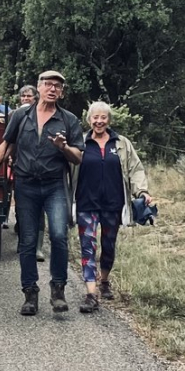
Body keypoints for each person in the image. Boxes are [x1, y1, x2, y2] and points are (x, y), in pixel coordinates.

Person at [0, 71, 84, 316]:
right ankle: (30, 293)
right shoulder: (20, 115)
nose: (53, 89)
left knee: (59, 236)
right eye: (48, 85)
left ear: (61, 92)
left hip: (54, 185)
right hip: (26, 185)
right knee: (28, 241)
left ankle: (58, 290)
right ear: (39, 88)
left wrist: (63, 147)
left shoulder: (69, 120)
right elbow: (6, 144)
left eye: (57, 86)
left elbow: (78, 157)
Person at [73, 101, 152, 313]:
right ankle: (91, 293)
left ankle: (104, 280)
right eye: (95, 118)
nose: (99, 121)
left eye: (103, 118)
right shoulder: (80, 142)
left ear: (109, 120)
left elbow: (136, 169)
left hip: (113, 204)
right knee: (88, 246)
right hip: (86, 203)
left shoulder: (122, 143)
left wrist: (142, 192)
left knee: (108, 244)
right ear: (88, 120)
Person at [8, 84, 45, 262]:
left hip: (42, 170)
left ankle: (38, 247)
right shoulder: (14, 115)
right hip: (19, 166)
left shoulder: (43, 115)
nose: (25, 99)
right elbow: (8, 141)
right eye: (22, 97)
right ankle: (23, 241)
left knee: (40, 210)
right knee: (22, 207)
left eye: (28, 96)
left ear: (35, 98)